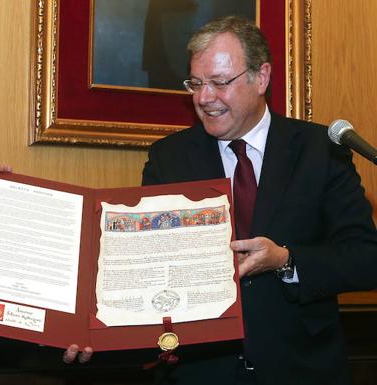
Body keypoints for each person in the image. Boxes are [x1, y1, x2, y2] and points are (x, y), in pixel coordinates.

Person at [141, 16, 377, 385]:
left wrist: (286, 260)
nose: (204, 98)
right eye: (196, 84)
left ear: (261, 77)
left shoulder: (321, 151)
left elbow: (365, 258)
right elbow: (144, 263)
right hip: (200, 372)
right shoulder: (168, 159)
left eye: (219, 83)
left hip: (301, 368)